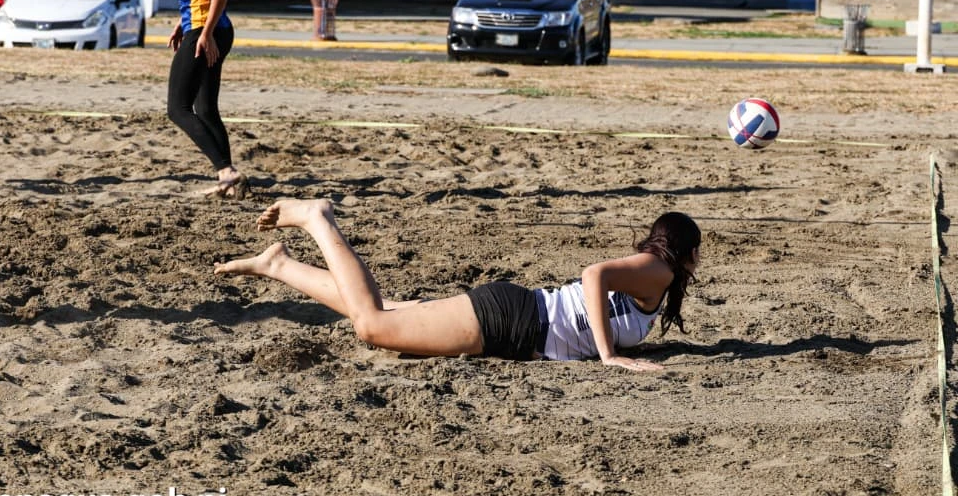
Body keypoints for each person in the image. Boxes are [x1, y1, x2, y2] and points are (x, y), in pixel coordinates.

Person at [216, 200, 702, 371]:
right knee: (373, 325)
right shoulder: (659, 270)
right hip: (515, 322)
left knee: (381, 309)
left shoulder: (655, 275)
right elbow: (593, 274)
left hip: (517, 314)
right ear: (686, 252)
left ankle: (278, 266)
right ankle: (318, 221)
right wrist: (609, 356)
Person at [166, 0, 247, 198]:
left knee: (177, 108)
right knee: (206, 109)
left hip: (207, 30)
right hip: (204, 26)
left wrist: (204, 33)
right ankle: (228, 179)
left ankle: (226, 171)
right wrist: (182, 21)